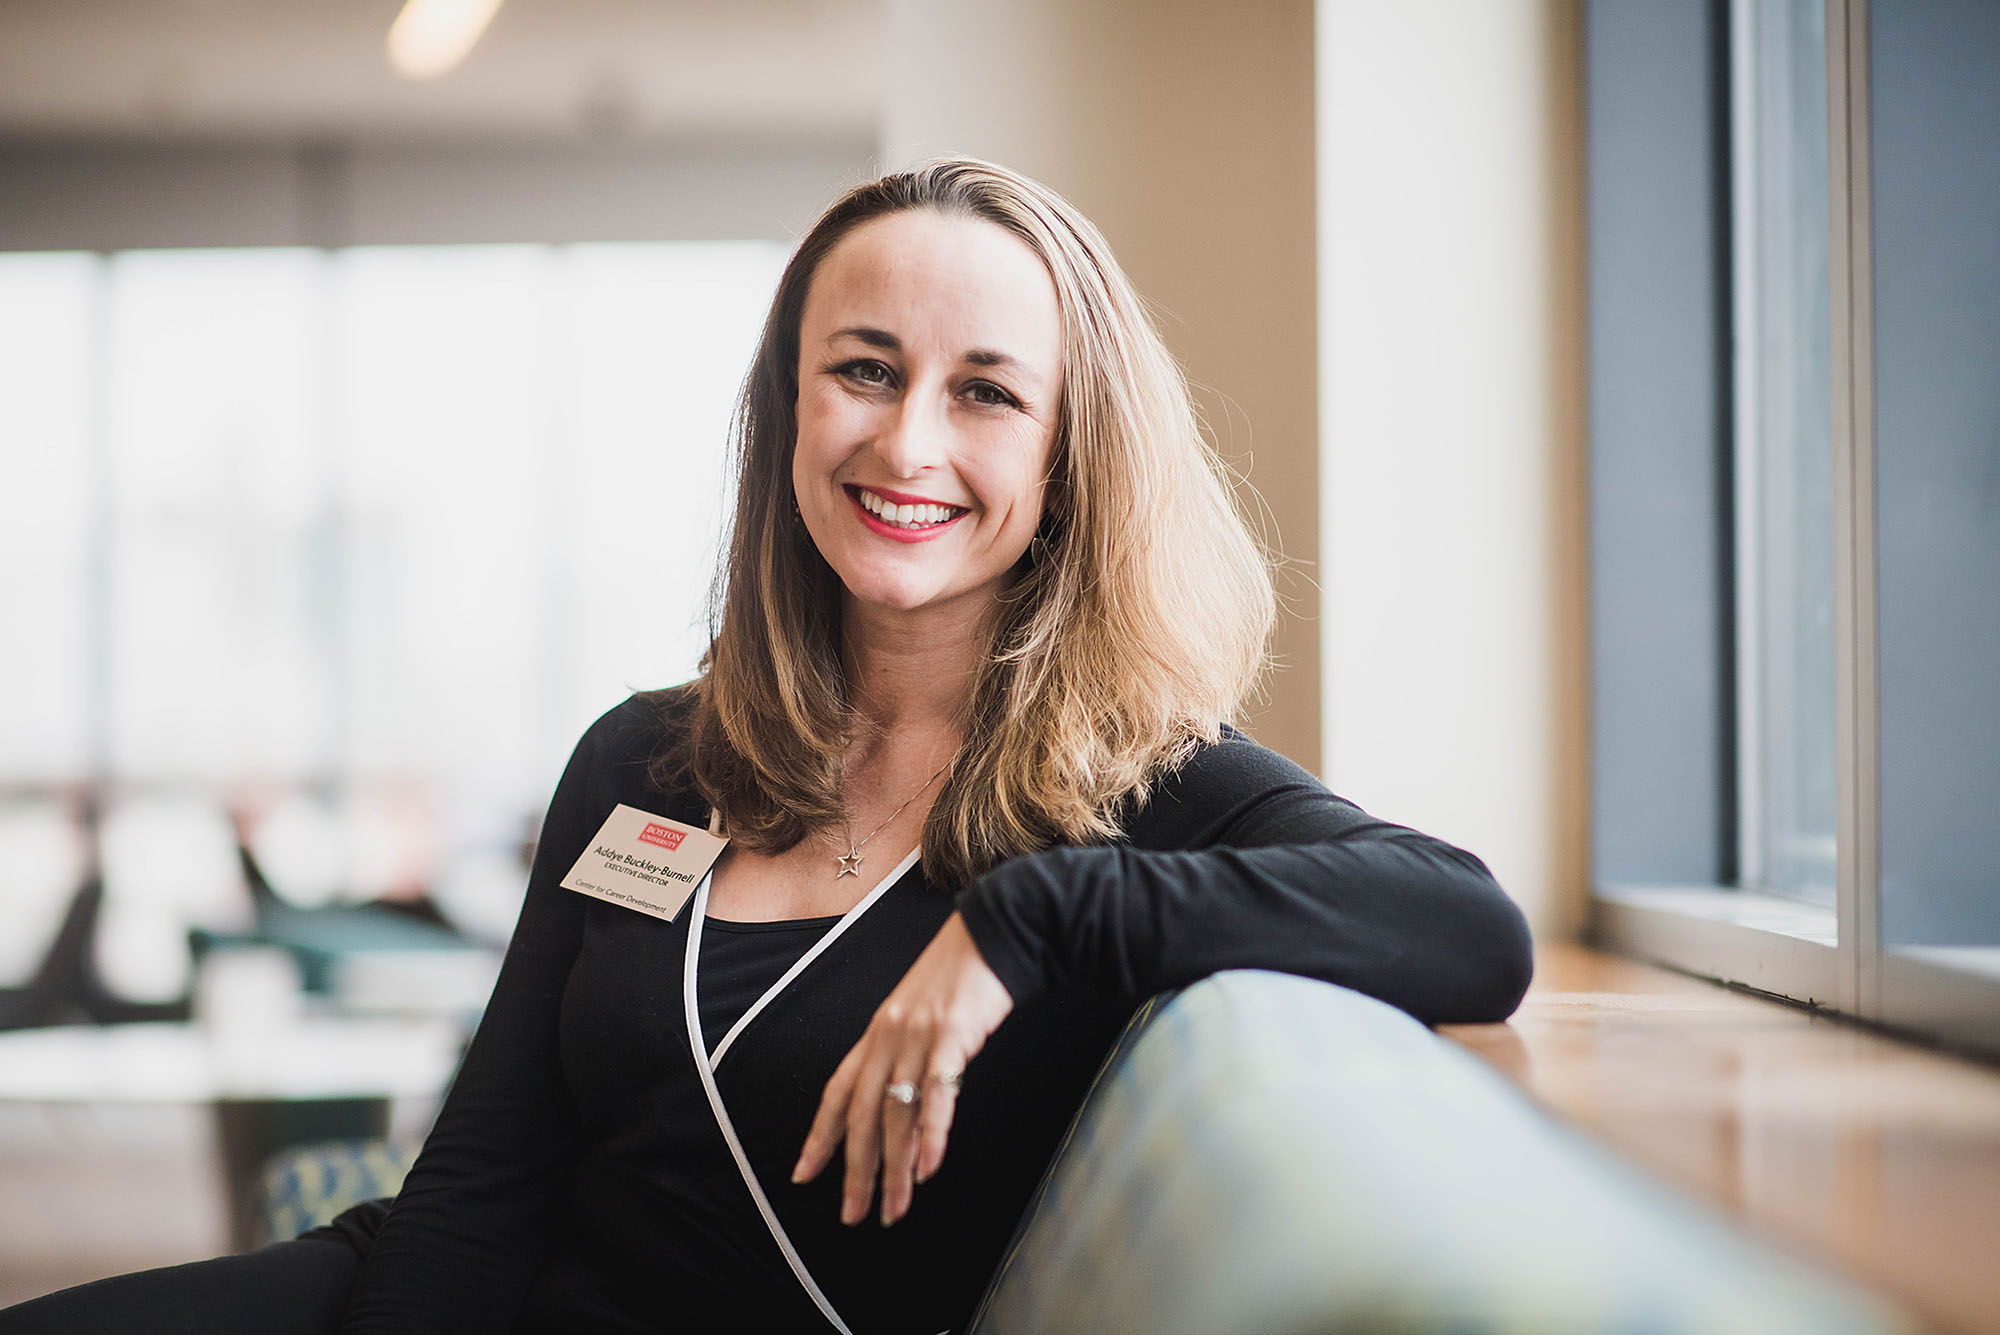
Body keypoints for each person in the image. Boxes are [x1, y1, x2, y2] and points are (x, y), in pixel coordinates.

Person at [1, 158, 1533, 1335]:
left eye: (986, 393)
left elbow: (1466, 923)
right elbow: (484, 1182)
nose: (907, 442)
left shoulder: (1140, 789)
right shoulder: (643, 762)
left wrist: (1033, 915)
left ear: (1068, 466)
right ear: (790, 407)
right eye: (864, 369)